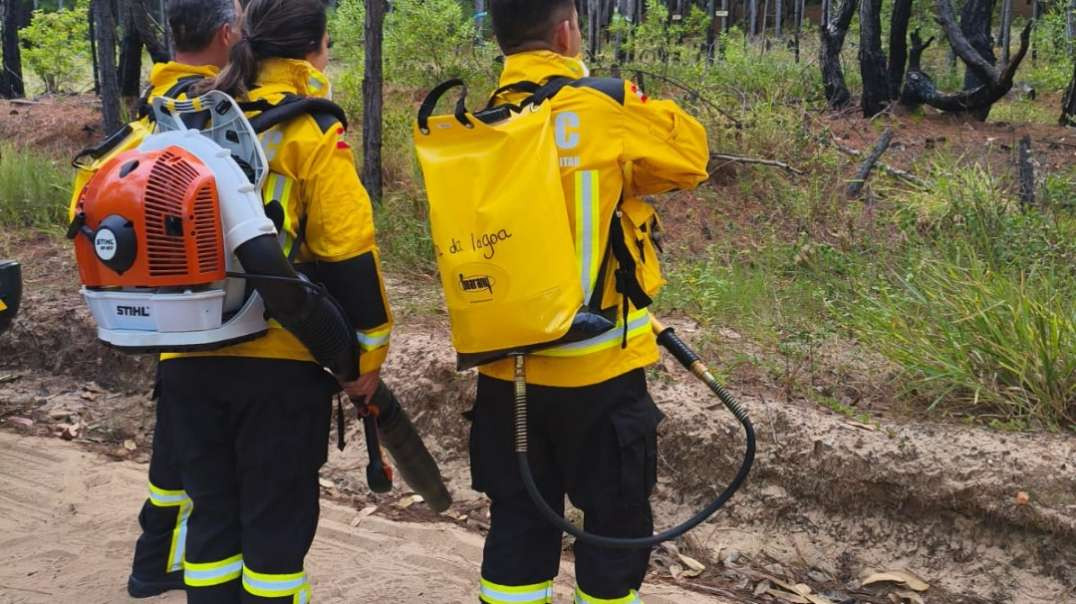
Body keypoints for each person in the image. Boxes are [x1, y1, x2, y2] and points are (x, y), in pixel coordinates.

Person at [468, 2, 710, 603]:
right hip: (599, 371)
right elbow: (691, 158)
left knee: (517, 528)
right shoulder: (603, 105)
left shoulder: (475, 122)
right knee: (614, 532)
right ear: (566, 31)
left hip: (506, 370)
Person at [155, 0, 393, 601]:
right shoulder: (308, 131)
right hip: (279, 370)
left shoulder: (182, 119)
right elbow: (348, 256)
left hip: (184, 360)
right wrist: (365, 359)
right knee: (274, 543)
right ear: (315, 48)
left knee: (211, 528)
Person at [66, 0, 242, 597]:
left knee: (174, 452)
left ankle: (152, 563)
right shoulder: (215, 120)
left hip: (157, 325)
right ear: (227, 35)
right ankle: (172, 565)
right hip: (218, 323)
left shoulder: (144, 124)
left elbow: (84, 217)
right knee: (202, 467)